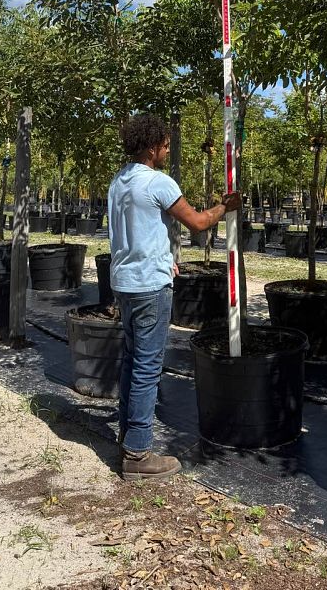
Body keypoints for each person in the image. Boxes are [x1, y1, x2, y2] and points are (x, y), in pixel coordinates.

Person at [108, 112, 241, 481]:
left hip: (125, 282)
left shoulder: (119, 181)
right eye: (165, 145)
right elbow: (197, 222)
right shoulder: (158, 183)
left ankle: (127, 434)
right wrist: (224, 207)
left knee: (132, 360)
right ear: (152, 148)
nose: (168, 150)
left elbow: (138, 232)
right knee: (148, 367)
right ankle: (137, 454)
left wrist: (165, 259)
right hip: (149, 287)